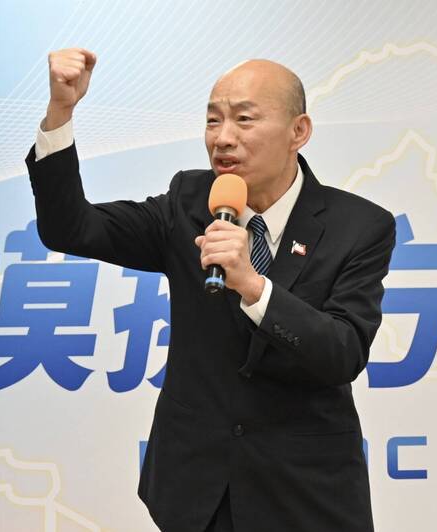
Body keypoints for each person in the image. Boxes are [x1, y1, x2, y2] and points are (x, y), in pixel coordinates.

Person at [26, 47, 396, 532]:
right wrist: (61, 112)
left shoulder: (359, 226)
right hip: (197, 490)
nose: (222, 138)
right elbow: (72, 229)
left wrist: (254, 286)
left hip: (305, 493)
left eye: (244, 119)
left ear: (298, 132)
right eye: (212, 120)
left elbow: (342, 352)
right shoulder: (188, 202)